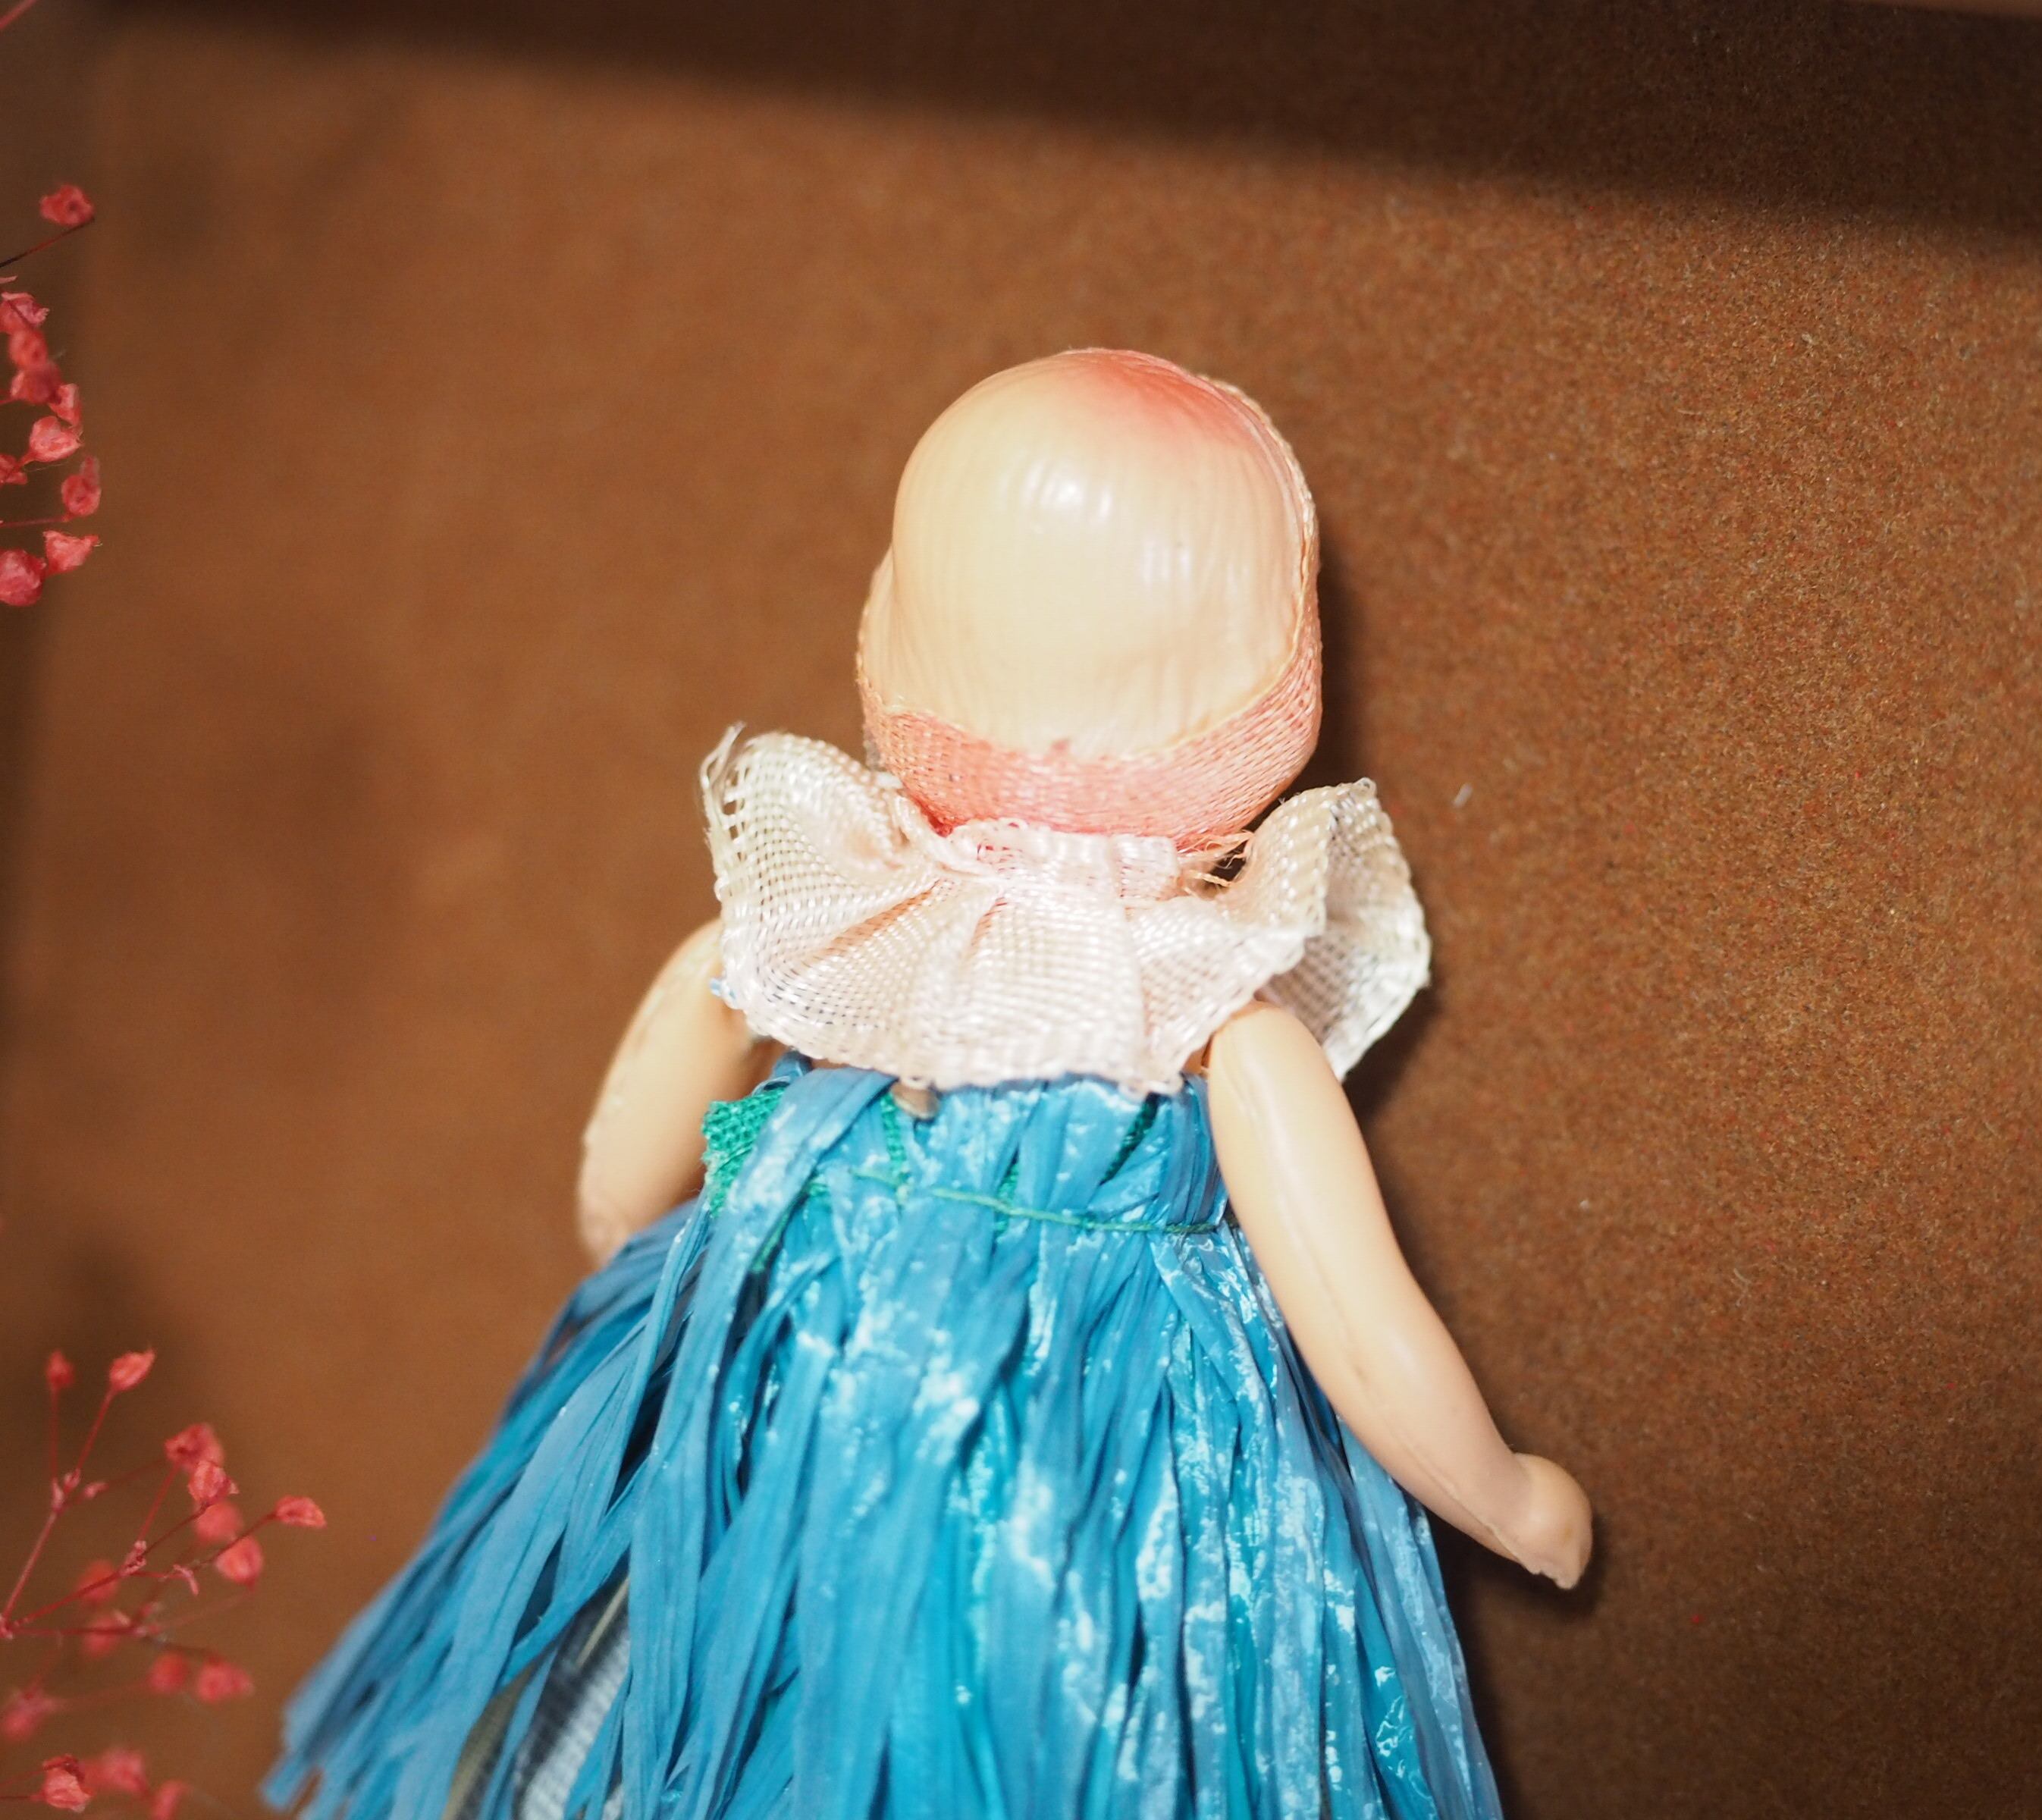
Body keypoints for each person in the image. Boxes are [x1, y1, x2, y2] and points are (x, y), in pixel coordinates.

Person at [270, 349, 1590, 1820]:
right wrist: (1500, 1496)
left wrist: (670, 1267)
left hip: (797, 1420)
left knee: (715, 1717)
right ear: (1280, 707)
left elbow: (624, 1181)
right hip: (1070, 1504)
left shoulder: (839, 935)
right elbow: (1357, 1323)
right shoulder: (1220, 1020)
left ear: (886, 651)